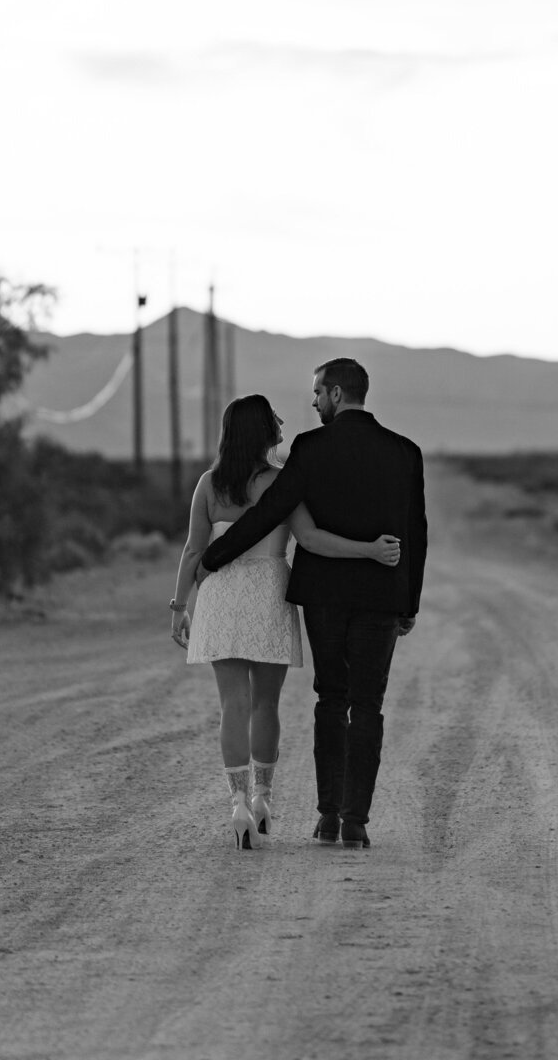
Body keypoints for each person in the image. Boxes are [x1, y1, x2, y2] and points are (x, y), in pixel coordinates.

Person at [197, 358, 427, 849]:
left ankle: (326, 817)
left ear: (338, 394)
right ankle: (355, 822)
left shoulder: (310, 448)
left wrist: (213, 558)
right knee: (368, 705)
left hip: (324, 598)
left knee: (332, 699)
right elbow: (416, 535)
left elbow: (269, 513)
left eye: (319, 393)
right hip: (382, 598)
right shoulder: (406, 453)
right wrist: (409, 603)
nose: (314, 401)